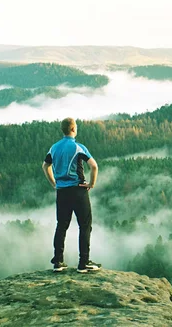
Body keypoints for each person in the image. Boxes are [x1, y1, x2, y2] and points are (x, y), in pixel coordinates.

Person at [42, 117, 101, 273]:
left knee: (61, 225)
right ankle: (83, 263)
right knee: (85, 225)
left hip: (61, 192)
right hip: (78, 190)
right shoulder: (78, 147)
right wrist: (91, 184)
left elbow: (45, 165)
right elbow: (94, 166)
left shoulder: (54, 148)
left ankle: (58, 262)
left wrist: (54, 183)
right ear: (74, 129)